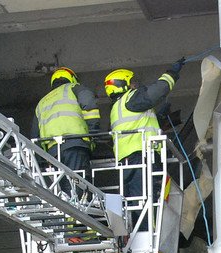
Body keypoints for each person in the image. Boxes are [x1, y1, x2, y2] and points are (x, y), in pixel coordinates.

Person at [104, 59, 183, 208]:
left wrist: (159, 117)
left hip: (127, 161)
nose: (135, 84)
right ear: (123, 84)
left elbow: (137, 123)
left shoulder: (116, 109)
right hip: (143, 156)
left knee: (136, 201)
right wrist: (172, 73)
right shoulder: (132, 98)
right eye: (132, 82)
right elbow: (159, 90)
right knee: (149, 200)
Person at [31, 66, 100, 196]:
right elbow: (89, 105)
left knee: (64, 187)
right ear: (72, 78)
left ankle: (70, 206)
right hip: (75, 143)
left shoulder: (42, 102)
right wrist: (93, 134)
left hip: (53, 152)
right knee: (79, 182)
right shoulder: (74, 88)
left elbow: (35, 135)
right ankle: (79, 206)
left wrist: (40, 162)